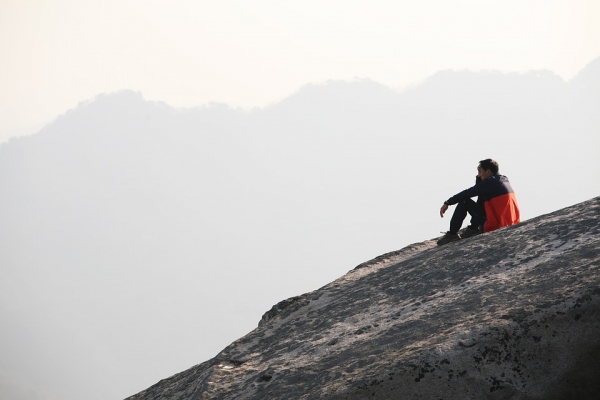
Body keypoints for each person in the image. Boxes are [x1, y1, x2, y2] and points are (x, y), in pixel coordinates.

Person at [437, 159, 520, 246]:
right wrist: (479, 176)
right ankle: (473, 228)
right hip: (509, 223)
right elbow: (479, 189)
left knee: (465, 201)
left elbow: (468, 192)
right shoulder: (503, 179)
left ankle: (452, 234)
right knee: (482, 195)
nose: (479, 174)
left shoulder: (490, 182)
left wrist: (447, 202)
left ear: (488, 171)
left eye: (480, 171)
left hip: (496, 226)